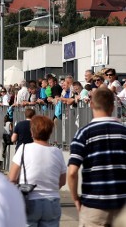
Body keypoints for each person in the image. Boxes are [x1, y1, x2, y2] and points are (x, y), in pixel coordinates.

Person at [67, 87, 126, 227]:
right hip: (122, 205)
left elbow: (72, 172)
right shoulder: (124, 132)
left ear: (91, 104)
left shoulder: (83, 133)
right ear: (112, 106)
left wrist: (76, 199)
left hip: (94, 205)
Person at [8, 115, 67, 227]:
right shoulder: (57, 152)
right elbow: (62, 181)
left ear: (32, 132)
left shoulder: (24, 148)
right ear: (50, 133)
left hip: (29, 199)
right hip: (52, 201)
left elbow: (12, 178)